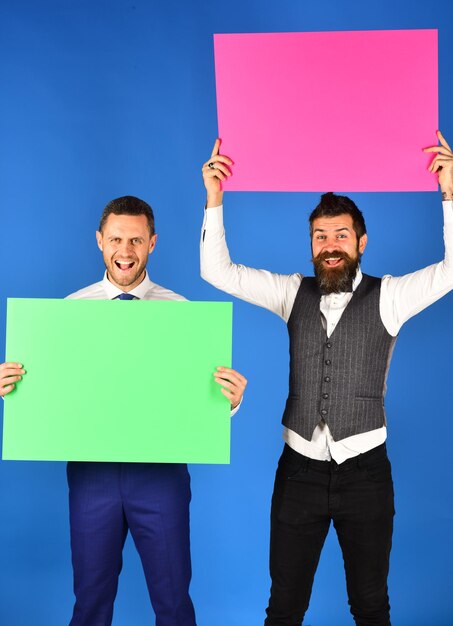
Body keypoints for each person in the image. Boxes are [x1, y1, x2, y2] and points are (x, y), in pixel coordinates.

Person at [200, 132, 453, 626]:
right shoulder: (291, 292)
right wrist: (214, 198)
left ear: (360, 242)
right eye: (320, 236)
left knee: (371, 605)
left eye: (340, 235)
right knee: (285, 606)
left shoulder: (391, 296)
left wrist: (450, 193)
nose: (330, 246)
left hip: (366, 473)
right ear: (311, 244)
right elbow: (218, 272)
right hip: (298, 473)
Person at [0, 195, 247, 626]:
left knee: (173, 602)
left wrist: (231, 402)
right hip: (92, 474)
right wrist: (13, 391)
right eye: (116, 239)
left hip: (160, 475)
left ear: (152, 243)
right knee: (91, 602)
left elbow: (199, 403)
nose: (125, 251)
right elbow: (51, 397)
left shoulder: (183, 314)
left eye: (136, 240)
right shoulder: (68, 313)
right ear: (100, 241)